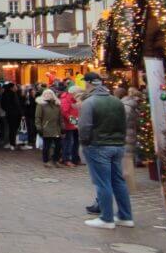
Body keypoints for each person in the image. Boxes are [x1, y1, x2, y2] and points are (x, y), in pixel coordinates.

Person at [78, 72, 132, 230]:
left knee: (102, 182)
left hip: (98, 145)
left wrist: (84, 143)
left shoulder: (90, 102)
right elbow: (125, 123)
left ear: (89, 83)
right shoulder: (117, 101)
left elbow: (84, 127)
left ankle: (107, 218)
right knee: (118, 181)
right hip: (117, 145)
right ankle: (125, 216)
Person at [35, 89, 63, 167]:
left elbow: (60, 117)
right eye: (46, 94)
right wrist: (39, 128)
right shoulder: (41, 104)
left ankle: (56, 160)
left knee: (58, 145)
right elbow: (38, 117)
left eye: (50, 94)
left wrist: (62, 127)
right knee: (46, 146)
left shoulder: (57, 104)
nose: (48, 95)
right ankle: (46, 161)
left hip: (56, 128)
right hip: (46, 128)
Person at [60, 85, 82, 166]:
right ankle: (66, 159)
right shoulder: (66, 99)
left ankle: (75, 159)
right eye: (79, 92)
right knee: (69, 142)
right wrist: (74, 122)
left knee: (76, 142)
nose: (80, 94)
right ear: (74, 93)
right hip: (69, 125)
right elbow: (64, 113)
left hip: (75, 123)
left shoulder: (74, 99)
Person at [122, 88, 141, 165]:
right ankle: (130, 162)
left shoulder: (129, 104)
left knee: (131, 144)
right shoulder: (130, 105)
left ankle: (134, 160)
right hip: (129, 128)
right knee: (130, 145)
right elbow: (126, 117)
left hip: (131, 128)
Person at [0, 83, 22, 150]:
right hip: (13, 114)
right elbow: (16, 105)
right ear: (11, 88)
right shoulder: (10, 94)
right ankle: (12, 143)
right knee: (13, 129)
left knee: (13, 129)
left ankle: (13, 143)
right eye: (15, 86)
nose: (16, 87)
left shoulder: (9, 94)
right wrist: (11, 110)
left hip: (12, 114)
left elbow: (3, 105)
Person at [20, 85, 38, 149]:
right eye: (33, 92)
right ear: (30, 92)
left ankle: (31, 139)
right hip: (30, 115)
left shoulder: (34, 98)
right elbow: (25, 107)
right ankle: (31, 139)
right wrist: (23, 114)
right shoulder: (28, 99)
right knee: (31, 128)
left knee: (32, 128)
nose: (34, 92)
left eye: (34, 91)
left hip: (32, 115)